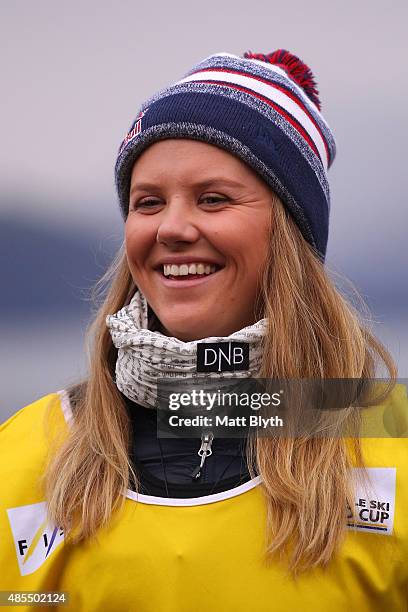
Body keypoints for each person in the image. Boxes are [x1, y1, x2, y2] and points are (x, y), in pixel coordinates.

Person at [1, 48, 407, 611]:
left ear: (288, 232)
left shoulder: (390, 440)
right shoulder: (26, 451)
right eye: (148, 203)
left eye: (212, 199)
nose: (171, 227)